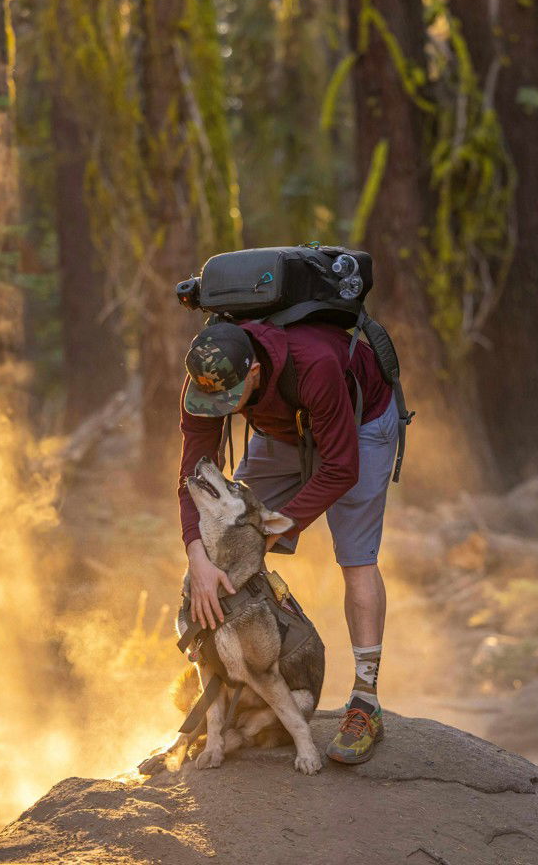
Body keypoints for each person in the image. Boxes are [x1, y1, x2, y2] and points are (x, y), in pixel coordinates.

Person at [178, 318, 394, 764]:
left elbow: (340, 467)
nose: (217, 408)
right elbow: (193, 478)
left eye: (227, 400)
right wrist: (198, 558)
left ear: (254, 372)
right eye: (210, 401)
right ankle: (226, 687)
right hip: (282, 430)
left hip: (359, 423)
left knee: (357, 557)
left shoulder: (314, 363)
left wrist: (278, 524)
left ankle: (365, 701)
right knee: (224, 542)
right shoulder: (206, 375)